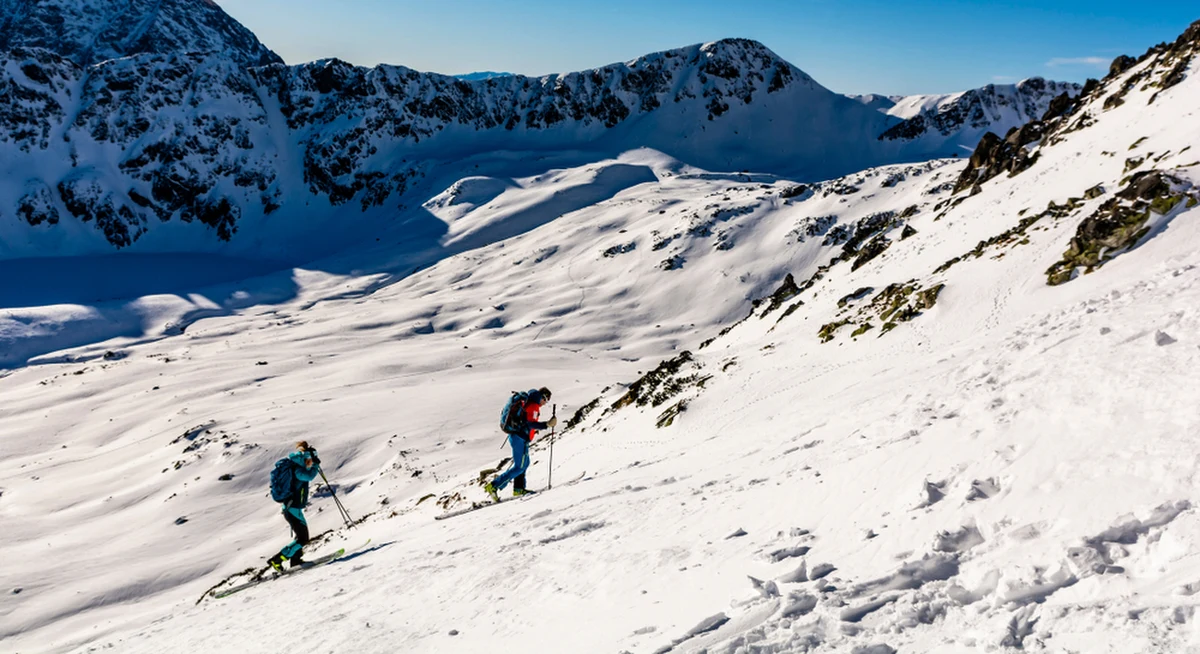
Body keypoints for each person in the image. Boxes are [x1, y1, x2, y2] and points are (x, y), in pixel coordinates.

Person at [485, 387, 556, 501]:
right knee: (520, 466)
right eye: (546, 400)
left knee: (524, 463)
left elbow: (526, 422)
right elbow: (530, 423)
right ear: (543, 397)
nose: (545, 403)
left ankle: (518, 488)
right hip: (519, 438)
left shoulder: (529, 403)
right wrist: (546, 425)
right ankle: (494, 486)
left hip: (519, 437)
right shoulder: (534, 406)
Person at [268, 441, 321, 571]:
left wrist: (312, 462)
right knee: (303, 538)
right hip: (292, 509)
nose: (310, 463)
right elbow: (309, 476)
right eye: (308, 460)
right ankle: (277, 559)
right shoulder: (297, 470)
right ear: (304, 459)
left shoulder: (297, 466)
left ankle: (296, 561)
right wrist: (315, 465)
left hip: (293, 508)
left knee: (300, 537)